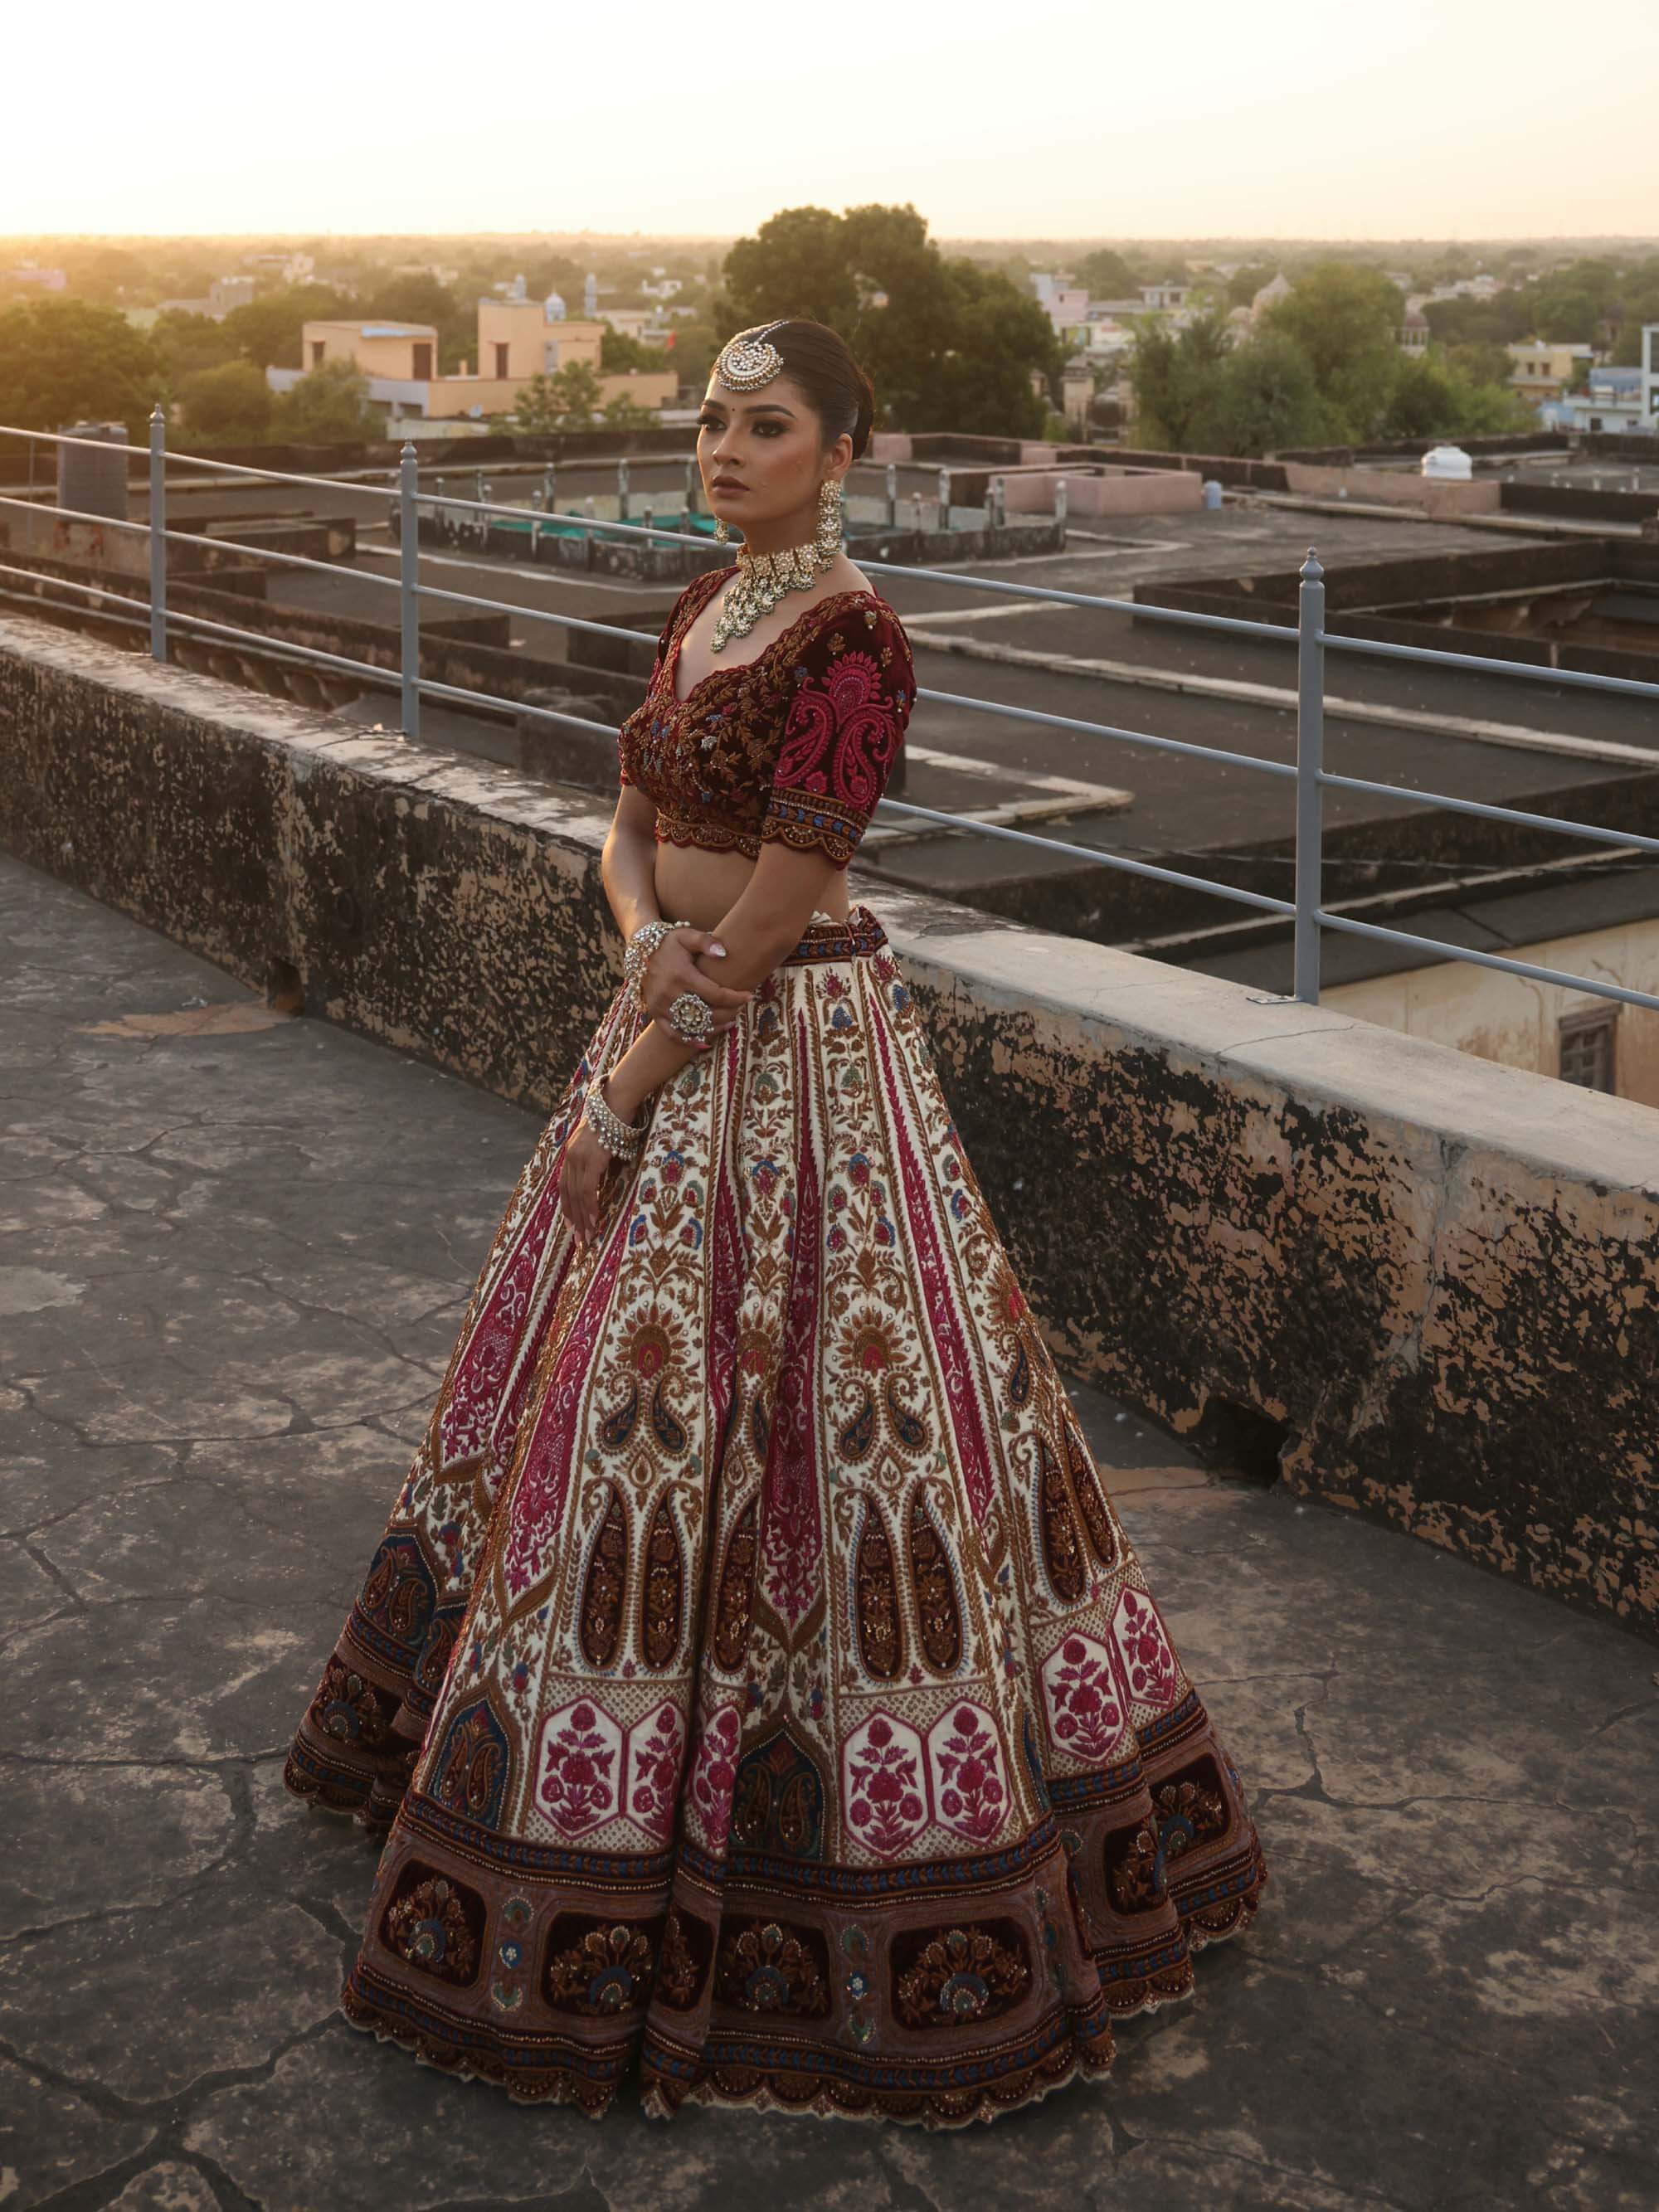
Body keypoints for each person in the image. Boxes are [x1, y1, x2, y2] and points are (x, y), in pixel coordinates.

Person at [283, 316, 1268, 2127]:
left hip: (793, 1045)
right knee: (602, 1414)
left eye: (766, 426)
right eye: (713, 422)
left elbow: (792, 894)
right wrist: (634, 945)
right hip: (669, 1004)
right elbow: (625, 822)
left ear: (842, 450)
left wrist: (627, 1079)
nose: (723, 449)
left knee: (838, 1427)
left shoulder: (854, 636)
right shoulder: (706, 605)